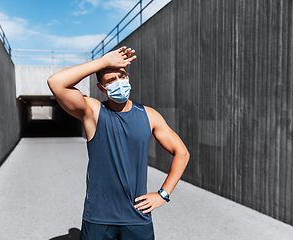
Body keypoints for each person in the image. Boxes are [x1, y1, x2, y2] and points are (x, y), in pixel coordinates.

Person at [47, 46, 190, 240]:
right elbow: (55, 82)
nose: (119, 83)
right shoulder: (93, 112)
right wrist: (103, 62)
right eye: (111, 80)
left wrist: (163, 194)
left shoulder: (149, 115)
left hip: (137, 216)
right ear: (101, 88)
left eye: (122, 76)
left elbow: (182, 153)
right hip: (98, 217)